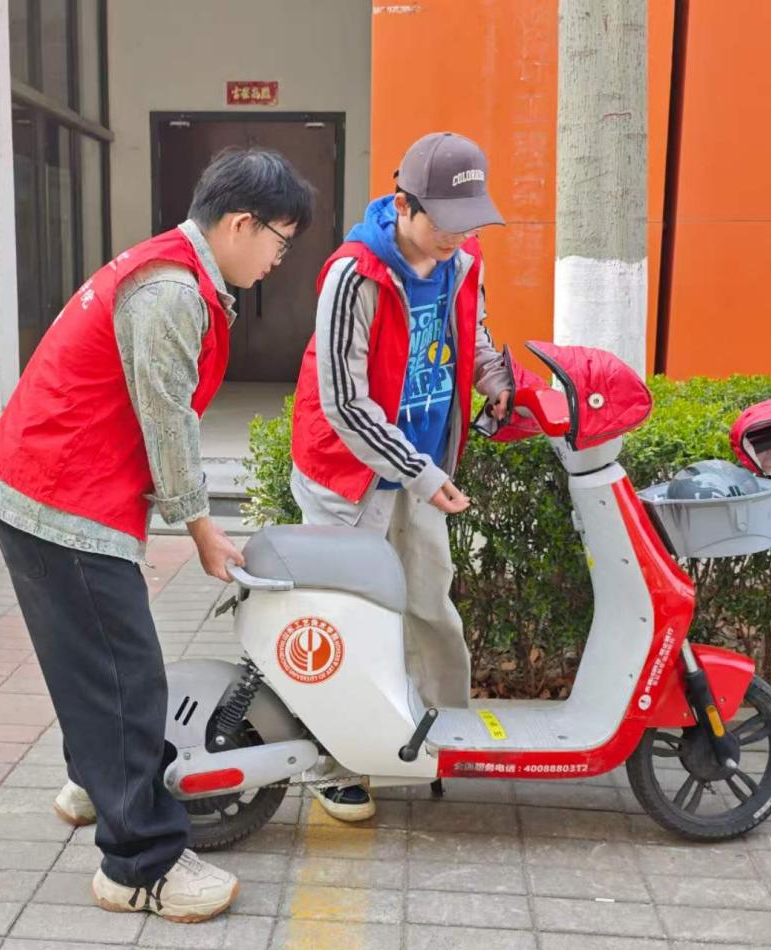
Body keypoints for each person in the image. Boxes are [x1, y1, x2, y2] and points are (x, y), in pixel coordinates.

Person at [0, 148, 314, 921]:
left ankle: (96, 784)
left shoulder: (175, 270)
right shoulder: (171, 291)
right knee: (125, 680)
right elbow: (168, 419)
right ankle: (140, 865)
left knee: (91, 663)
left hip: (48, 484)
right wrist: (200, 528)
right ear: (241, 224)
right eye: (280, 242)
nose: (278, 260)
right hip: (59, 499)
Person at [289, 132, 510, 821]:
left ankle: (441, 735)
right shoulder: (353, 275)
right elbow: (345, 402)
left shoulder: (462, 259)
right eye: (444, 220)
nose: (457, 235)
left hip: (421, 466)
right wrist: (418, 472)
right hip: (347, 477)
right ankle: (332, 762)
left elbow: (471, 333)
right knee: (348, 623)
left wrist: (496, 377)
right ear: (403, 204)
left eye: (468, 221)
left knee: (428, 607)